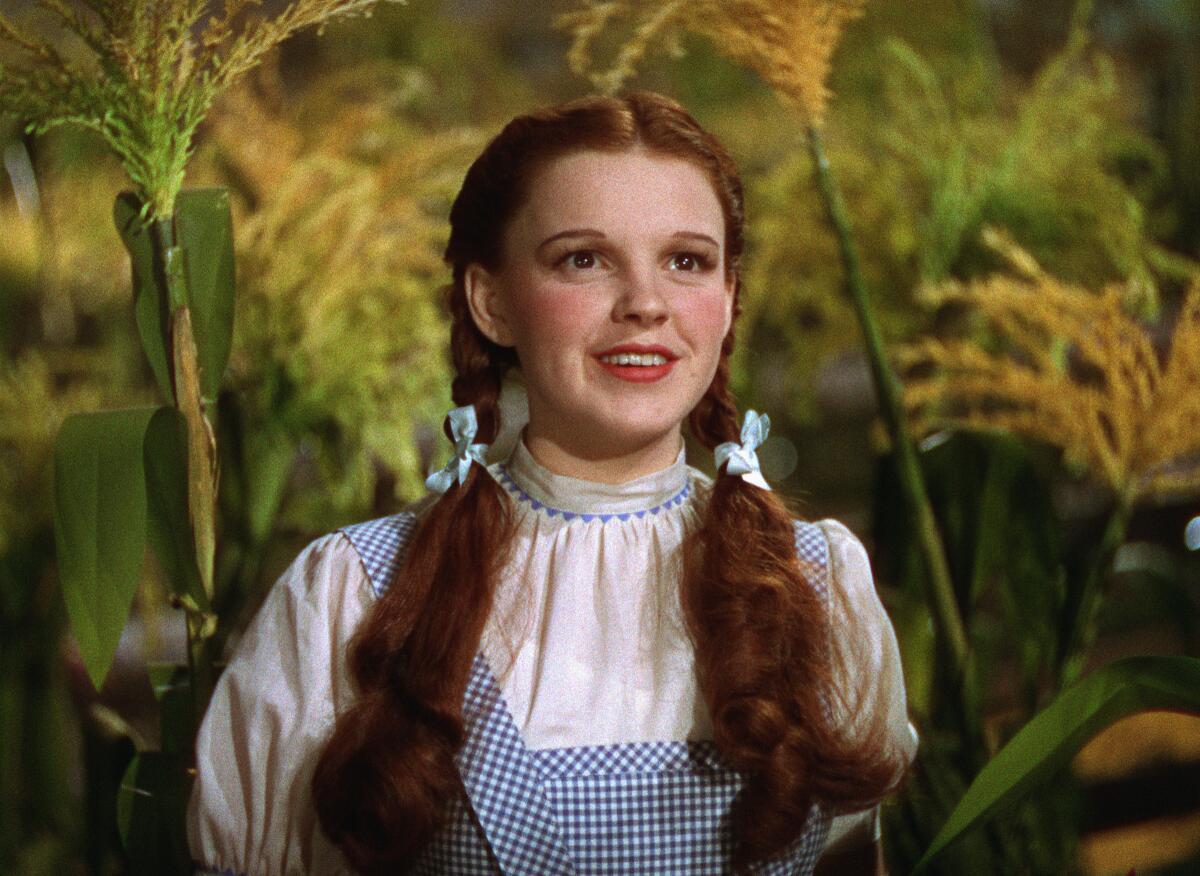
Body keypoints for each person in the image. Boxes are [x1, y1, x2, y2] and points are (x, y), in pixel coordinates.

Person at [187, 91, 918, 875]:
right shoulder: (353, 596)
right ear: (492, 301)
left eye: (686, 261)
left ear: (729, 297)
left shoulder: (818, 590)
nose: (645, 304)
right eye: (584, 259)